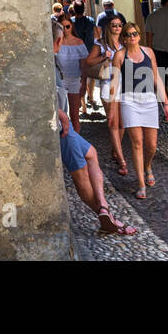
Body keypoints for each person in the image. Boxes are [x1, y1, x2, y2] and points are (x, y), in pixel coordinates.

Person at [57, 81, 137, 237]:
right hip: (61, 127)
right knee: (81, 176)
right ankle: (107, 218)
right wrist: (61, 115)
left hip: (64, 124)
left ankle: (103, 206)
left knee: (91, 153)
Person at [110, 22, 168, 199]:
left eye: (134, 33)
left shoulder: (148, 52)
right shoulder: (120, 56)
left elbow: (156, 78)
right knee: (137, 142)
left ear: (139, 35)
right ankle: (141, 184)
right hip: (130, 101)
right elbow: (114, 84)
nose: (132, 37)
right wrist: (113, 109)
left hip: (149, 101)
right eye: (128, 34)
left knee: (151, 145)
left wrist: (166, 103)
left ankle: (148, 166)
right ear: (124, 38)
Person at [96, 14, 128, 175]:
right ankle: (121, 160)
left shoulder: (126, 43)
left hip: (124, 85)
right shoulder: (101, 44)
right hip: (108, 84)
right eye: (114, 25)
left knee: (122, 123)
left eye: (119, 25)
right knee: (113, 122)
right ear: (109, 27)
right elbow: (88, 62)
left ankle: (115, 150)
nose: (117, 28)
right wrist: (103, 56)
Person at [53, 15, 90, 132]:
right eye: (62, 27)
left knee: (75, 113)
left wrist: (84, 83)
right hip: (61, 80)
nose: (65, 29)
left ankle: (76, 140)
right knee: (61, 113)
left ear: (71, 26)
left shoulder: (79, 42)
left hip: (75, 80)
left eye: (67, 26)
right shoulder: (56, 43)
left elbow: (84, 65)